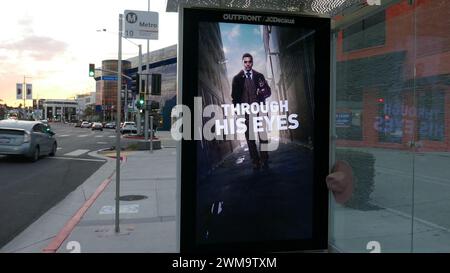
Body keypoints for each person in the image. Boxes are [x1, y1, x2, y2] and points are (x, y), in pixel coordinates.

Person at [231, 53, 271, 170]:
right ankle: (255, 161)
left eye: (249, 62)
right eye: (245, 62)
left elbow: (268, 92)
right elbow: (234, 98)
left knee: (263, 136)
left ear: (252, 62)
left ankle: (264, 158)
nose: (248, 64)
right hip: (247, 114)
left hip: (260, 111)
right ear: (243, 63)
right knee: (250, 138)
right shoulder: (237, 79)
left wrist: (262, 91)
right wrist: (239, 114)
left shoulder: (259, 76)